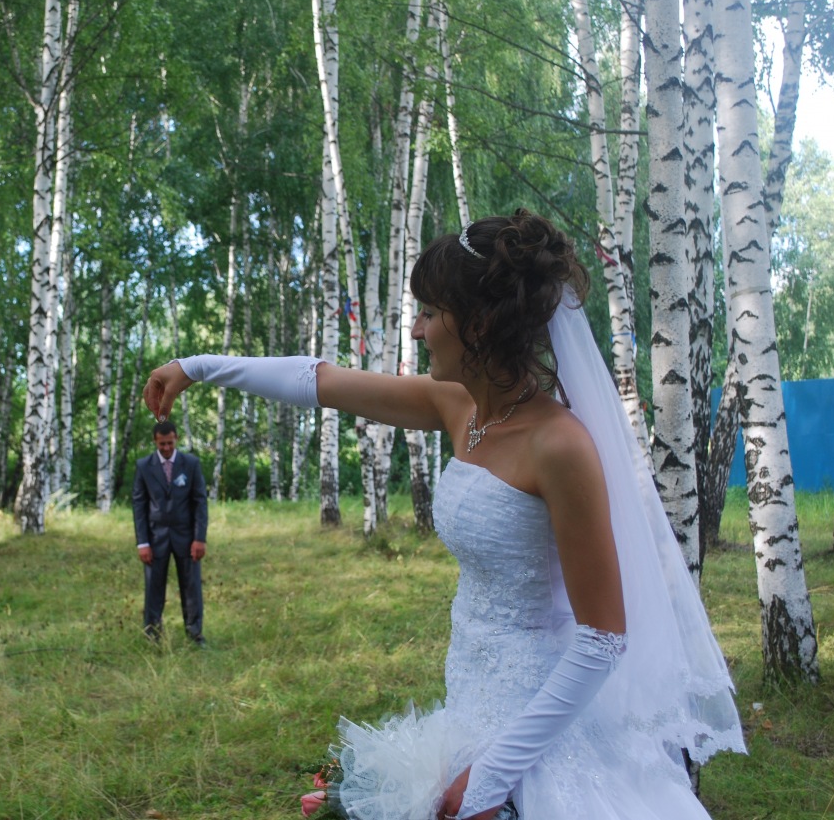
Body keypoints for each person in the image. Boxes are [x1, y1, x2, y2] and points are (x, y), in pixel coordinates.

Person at [142, 210, 745, 820]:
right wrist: (199, 366)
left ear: (479, 324)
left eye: (430, 313)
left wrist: (494, 773)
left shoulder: (559, 445)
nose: (417, 330)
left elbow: (603, 638)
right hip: (471, 695)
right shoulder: (460, 408)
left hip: (533, 724)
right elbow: (321, 382)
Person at [132, 420, 209, 646]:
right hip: (155, 538)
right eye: (162, 444)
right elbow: (139, 506)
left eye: (170, 443)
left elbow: (200, 503)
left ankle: (195, 634)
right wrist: (142, 543)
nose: (166, 448)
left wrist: (199, 538)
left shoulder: (191, 464)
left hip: (187, 538)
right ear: (155, 442)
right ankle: (153, 635)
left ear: (176, 439)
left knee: (191, 587)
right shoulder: (144, 466)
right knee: (153, 588)